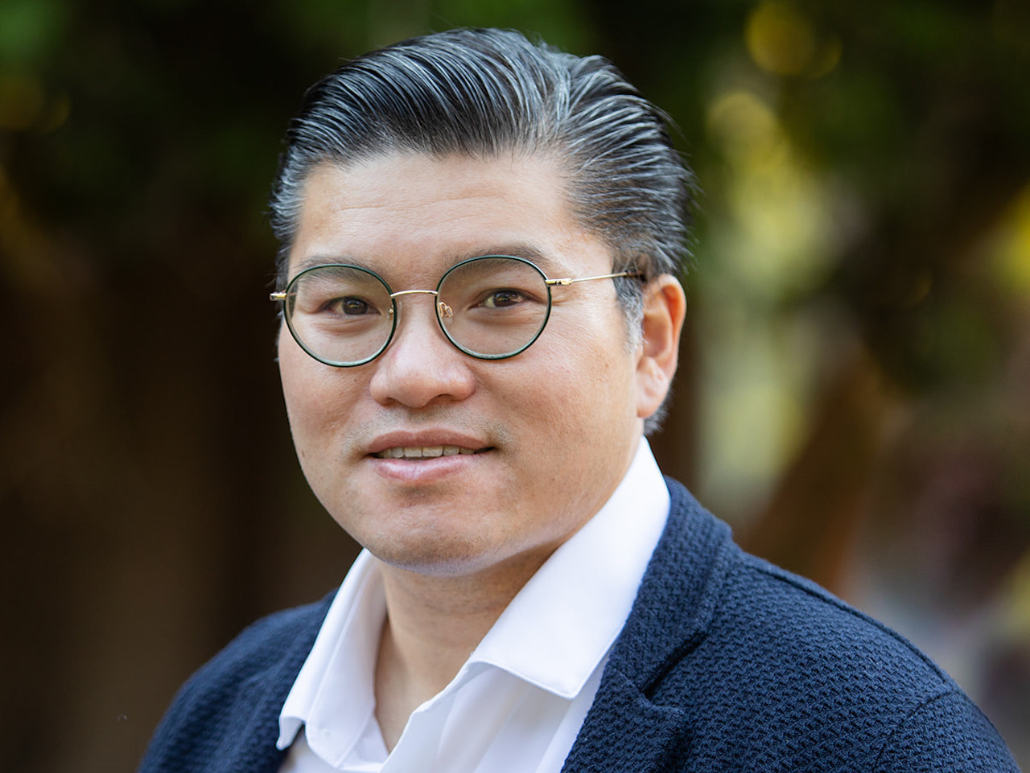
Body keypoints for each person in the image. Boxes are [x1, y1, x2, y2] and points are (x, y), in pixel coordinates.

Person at [138, 27, 1020, 772]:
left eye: (500, 300)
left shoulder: (870, 739)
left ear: (651, 342)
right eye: (347, 306)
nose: (409, 375)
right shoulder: (223, 718)